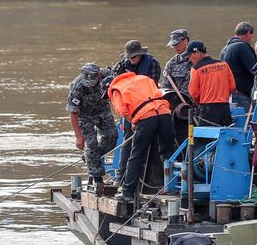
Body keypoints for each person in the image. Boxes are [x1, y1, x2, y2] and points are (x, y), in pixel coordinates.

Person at [102, 72, 175, 202]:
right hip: (165, 113)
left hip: (146, 118)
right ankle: (171, 187)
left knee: (136, 155)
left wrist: (134, 121)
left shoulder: (115, 89)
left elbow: (123, 111)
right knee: (167, 151)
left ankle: (127, 192)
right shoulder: (143, 78)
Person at [112, 40, 162, 185]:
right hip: (130, 109)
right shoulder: (121, 67)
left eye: (134, 57)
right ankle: (121, 177)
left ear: (141, 55)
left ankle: (152, 179)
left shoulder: (152, 63)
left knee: (152, 141)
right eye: (129, 57)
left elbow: (152, 85)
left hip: (148, 107)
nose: (131, 60)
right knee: (127, 141)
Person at [66, 63, 118, 185]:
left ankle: (90, 158)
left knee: (112, 137)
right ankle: (97, 178)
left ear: (98, 75)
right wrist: (78, 136)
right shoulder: (77, 87)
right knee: (91, 144)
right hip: (84, 116)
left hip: (102, 110)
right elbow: (73, 113)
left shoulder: (107, 75)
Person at [186, 40, 235, 127]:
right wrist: (222, 96)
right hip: (225, 108)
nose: (189, 58)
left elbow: (194, 93)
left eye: (190, 55)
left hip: (208, 109)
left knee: (203, 140)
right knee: (227, 137)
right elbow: (232, 86)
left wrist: (203, 101)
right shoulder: (224, 64)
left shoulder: (196, 69)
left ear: (197, 53)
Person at [220, 21, 257, 110]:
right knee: (247, 122)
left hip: (229, 95)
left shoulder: (224, 50)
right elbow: (255, 69)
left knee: (237, 122)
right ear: (248, 33)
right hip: (242, 95)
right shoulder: (242, 46)